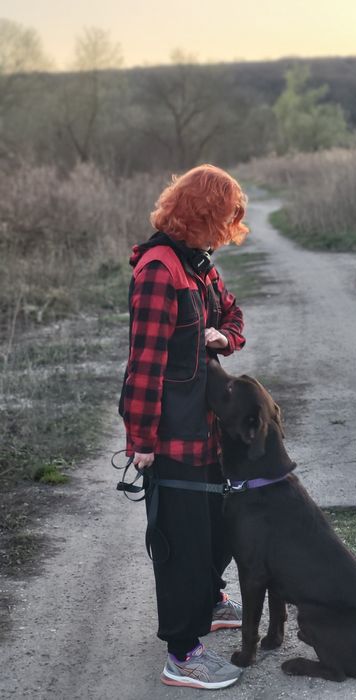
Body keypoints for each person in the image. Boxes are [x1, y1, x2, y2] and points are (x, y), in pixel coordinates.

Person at [119, 164, 248, 690]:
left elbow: (234, 315)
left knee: (219, 528)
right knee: (182, 545)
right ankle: (182, 654)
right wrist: (141, 440)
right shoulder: (159, 271)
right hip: (172, 434)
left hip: (209, 429)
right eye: (224, 218)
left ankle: (211, 601)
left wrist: (223, 339)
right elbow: (144, 364)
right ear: (201, 213)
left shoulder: (199, 264)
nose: (227, 230)